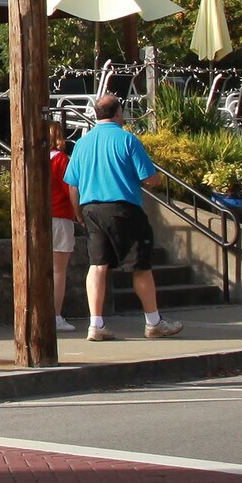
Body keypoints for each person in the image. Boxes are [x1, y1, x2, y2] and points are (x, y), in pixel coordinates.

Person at [64, 93, 182, 341]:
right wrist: (157, 179)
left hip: (91, 208)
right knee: (140, 266)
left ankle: (96, 324)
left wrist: (79, 214)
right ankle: (153, 322)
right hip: (123, 207)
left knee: (97, 265)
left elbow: (72, 185)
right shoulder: (127, 139)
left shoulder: (82, 143)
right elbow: (149, 178)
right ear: (118, 113)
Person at [48, 118, 78, 335]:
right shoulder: (61, 160)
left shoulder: (31, 160)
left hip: (38, 220)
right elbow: (71, 189)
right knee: (58, 270)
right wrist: (79, 213)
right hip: (60, 216)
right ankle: (55, 316)